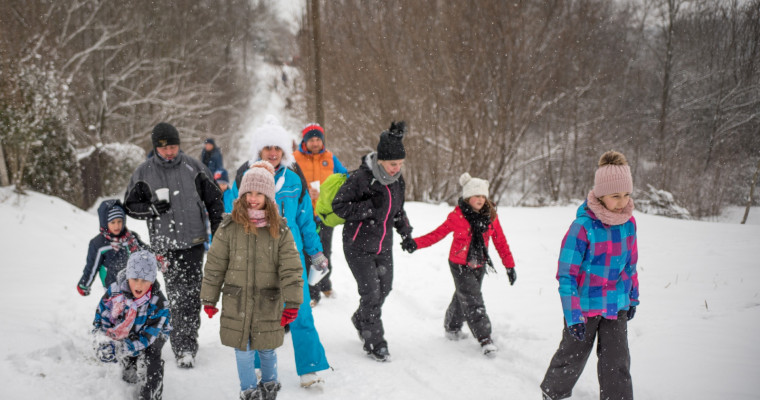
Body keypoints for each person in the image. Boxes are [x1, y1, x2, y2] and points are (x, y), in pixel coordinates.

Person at [231, 116, 330, 388]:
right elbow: (231, 218)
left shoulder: (295, 180)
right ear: (259, 151)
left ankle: (310, 368)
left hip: (291, 257)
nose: (273, 152)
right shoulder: (244, 176)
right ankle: (257, 366)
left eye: (278, 147)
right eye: (267, 147)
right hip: (256, 258)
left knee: (300, 313)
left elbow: (306, 221)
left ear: (284, 151)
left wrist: (316, 253)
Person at [540, 150, 639, 400]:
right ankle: (553, 394)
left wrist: (633, 298)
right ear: (600, 194)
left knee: (617, 362)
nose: (622, 201)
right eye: (616, 196)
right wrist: (573, 316)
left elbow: (630, 266)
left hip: (616, 306)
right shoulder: (582, 227)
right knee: (572, 356)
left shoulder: (629, 223)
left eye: (627, 194)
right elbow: (566, 275)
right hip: (583, 309)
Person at [124, 122, 224, 368]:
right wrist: (150, 209)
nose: (170, 152)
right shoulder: (143, 172)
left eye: (173, 146)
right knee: (171, 294)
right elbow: (129, 205)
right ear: (156, 148)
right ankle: (166, 336)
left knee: (189, 295)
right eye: (164, 148)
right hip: (164, 244)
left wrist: (219, 231)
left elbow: (215, 201)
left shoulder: (194, 167)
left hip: (193, 242)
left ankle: (185, 346)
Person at [201, 162, 304, 400]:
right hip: (237, 300)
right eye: (248, 193)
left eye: (259, 193)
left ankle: (269, 386)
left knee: (267, 348)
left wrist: (292, 303)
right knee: (243, 350)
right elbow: (215, 265)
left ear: (268, 196)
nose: (253, 198)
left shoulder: (281, 230)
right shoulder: (228, 228)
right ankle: (248, 390)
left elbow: (291, 269)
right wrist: (209, 297)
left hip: (269, 300)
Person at [408, 173, 517, 357]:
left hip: (479, 263)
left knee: (464, 296)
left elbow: (501, 242)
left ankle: (452, 327)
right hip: (459, 264)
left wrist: (509, 265)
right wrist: (416, 243)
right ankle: (485, 338)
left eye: (483, 196)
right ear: (468, 197)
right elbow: (437, 234)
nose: (481, 200)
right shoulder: (457, 216)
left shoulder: (491, 217)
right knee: (473, 300)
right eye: (477, 196)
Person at [332, 120, 415, 362]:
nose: (396, 169)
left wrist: (406, 233)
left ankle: (361, 318)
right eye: (392, 164)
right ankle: (374, 341)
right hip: (357, 246)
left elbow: (398, 211)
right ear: (380, 160)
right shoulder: (360, 179)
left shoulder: (398, 181)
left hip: (383, 246)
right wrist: (368, 208)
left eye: (400, 164)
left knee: (385, 289)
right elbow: (339, 206)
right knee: (371, 293)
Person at [92, 250, 171, 400]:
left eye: (145, 280)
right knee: (129, 375)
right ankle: (130, 366)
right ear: (128, 275)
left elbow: (149, 337)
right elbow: (101, 318)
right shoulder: (115, 293)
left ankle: (151, 393)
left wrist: (125, 347)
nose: (139, 285)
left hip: (153, 334)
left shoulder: (158, 302)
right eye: (135, 279)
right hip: (127, 333)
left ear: (152, 280)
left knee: (151, 358)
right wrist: (104, 342)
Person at [293, 123, 348, 306]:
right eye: (311, 140)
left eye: (318, 139)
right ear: (305, 141)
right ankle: (312, 293)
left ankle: (325, 283)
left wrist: (329, 194)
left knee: (325, 252)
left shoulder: (330, 158)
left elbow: (345, 179)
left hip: (325, 214)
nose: (315, 143)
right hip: (303, 214)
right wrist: (304, 191)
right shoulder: (294, 158)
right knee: (309, 252)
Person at [77, 199, 146, 296]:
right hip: (113, 286)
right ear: (105, 222)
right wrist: (84, 284)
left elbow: (145, 252)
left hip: (136, 283)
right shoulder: (98, 244)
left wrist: (157, 258)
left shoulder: (131, 237)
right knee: (120, 309)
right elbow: (92, 267)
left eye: (119, 221)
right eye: (112, 222)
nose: (117, 226)